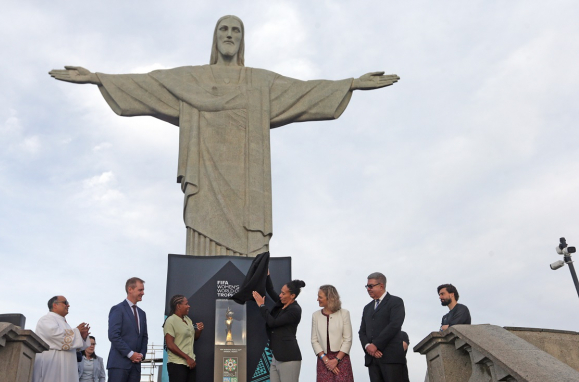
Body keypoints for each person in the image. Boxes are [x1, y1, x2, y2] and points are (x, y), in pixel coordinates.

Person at [49, 15, 399, 257]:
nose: (230, 35)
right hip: (206, 178)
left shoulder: (260, 82)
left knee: (250, 256)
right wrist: (97, 77)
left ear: (242, 39)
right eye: (223, 30)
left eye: (236, 30)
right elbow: (148, 83)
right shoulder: (192, 79)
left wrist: (350, 84)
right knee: (202, 248)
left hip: (247, 187)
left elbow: (303, 92)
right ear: (215, 39)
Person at [358, 272, 411, 382]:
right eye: (367, 286)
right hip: (373, 360)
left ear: (381, 285)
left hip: (392, 358)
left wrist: (377, 345)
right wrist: (368, 347)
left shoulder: (395, 302)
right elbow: (362, 332)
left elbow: (395, 325)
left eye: (371, 286)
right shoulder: (367, 308)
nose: (368, 289)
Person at [253, 276, 304, 382]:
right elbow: (271, 290)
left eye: (284, 293)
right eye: (281, 293)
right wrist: (266, 275)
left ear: (292, 296)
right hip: (276, 357)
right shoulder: (282, 304)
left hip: (289, 358)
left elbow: (273, 322)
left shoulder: (294, 310)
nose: (280, 295)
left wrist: (261, 305)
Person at [104, 277, 149, 382]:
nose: (143, 293)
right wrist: (130, 353)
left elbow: (144, 337)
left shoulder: (142, 314)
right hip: (119, 364)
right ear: (130, 289)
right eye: (140, 290)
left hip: (135, 366)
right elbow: (113, 336)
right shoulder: (117, 309)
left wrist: (141, 355)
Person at [311, 285, 356, 382]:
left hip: (341, 359)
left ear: (329, 298)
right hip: (323, 361)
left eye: (320, 296)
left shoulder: (344, 314)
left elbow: (348, 339)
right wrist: (325, 359)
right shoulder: (316, 315)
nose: (317, 299)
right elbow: (314, 340)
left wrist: (336, 360)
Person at [162, 295, 204, 382]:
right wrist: (187, 358)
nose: (189, 306)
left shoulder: (188, 320)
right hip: (177, 365)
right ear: (178, 305)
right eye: (186, 304)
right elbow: (170, 344)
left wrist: (198, 330)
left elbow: (194, 338)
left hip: (190, 366)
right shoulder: (170, 320)